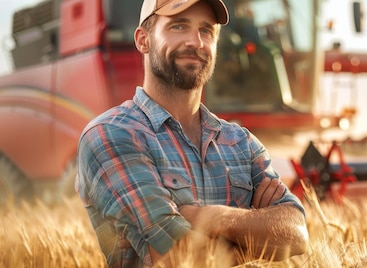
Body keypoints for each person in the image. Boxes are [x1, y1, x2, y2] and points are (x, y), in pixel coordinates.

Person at [75, 0, 308, 266]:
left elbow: (297, 235)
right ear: (143, 40)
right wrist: (262, 239)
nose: (196, 42)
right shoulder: (111, 135)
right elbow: (179, 258)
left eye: (206, 30)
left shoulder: (241, 142)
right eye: (178, 26)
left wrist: (211, 218)